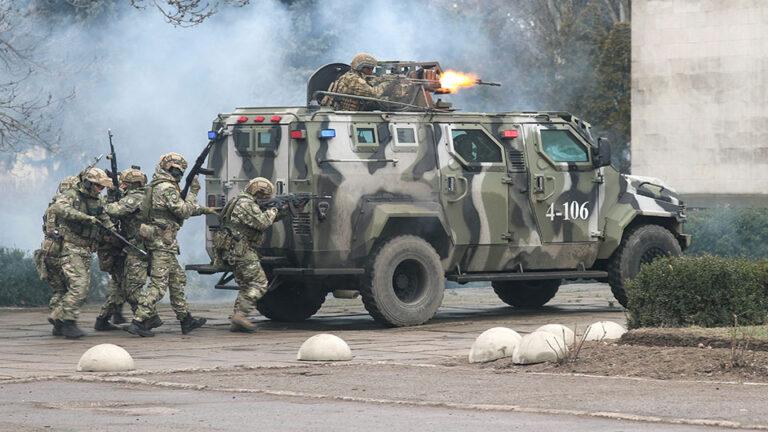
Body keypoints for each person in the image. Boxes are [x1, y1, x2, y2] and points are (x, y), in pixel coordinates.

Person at [126, 152, 215, 337]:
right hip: (162, 243)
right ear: (168, 169)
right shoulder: (166, 187)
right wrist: (194, 192)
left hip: (161, 241)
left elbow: (172, 210)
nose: (179, 174)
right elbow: (183, 210)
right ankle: (139, 320)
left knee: (176, 279)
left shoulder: (158, 185)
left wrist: (206, 209)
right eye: (176, 170)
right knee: (158, 286)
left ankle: (186, 319)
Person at [48, 167, 115, 339]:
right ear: (88, 183)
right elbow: (59, 208)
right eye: (98, 186)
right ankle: (69, 322)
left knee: (80, 288)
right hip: (71, 247)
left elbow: (104, 217)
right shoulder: (72, 195)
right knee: (80, 286)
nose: (101, 190)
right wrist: (85, 218)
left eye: (102, 188)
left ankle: (58, 319)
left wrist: (112, 232)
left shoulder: (97, 200)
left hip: (86, 249)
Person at [213, 177, 280, 333]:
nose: (264, 199)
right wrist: (274, 210)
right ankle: (241, 315)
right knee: (259, 283)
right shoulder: (247, 204)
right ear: (259, 192)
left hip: (233, 250)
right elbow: (262, 222)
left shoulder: (237, 200)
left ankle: (238, 320)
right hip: (241, 250)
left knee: (245, 285)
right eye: (264, 195)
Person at [94, 167, 148, 331]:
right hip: (122, 246)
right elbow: (112, 210)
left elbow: (114, 210)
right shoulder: (128, 197)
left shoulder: (135, 197)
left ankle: (104, 319)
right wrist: (111, 194)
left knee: (120, 285)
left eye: (125, 183)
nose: (122, 185)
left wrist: (109, 198)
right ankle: (144, 318)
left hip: (127, 245)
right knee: (126, 285)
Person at [34, 175, 80, 336]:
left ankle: (58, 324)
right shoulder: (62, 208)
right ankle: (59, 317)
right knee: (73, 287)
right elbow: (53, 231)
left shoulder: (51, 206)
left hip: (47, 251)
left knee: (59, 289)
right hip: (58, 250)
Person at [321, 52, 396, 111]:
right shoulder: (352, 79)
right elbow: (374, 93)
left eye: (372, 69)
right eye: (369, 69)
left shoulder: (353, 76)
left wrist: (386, 78)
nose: (371, 72)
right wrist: (388, 83)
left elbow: (372, 81)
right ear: (361, 67)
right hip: (345, 114)